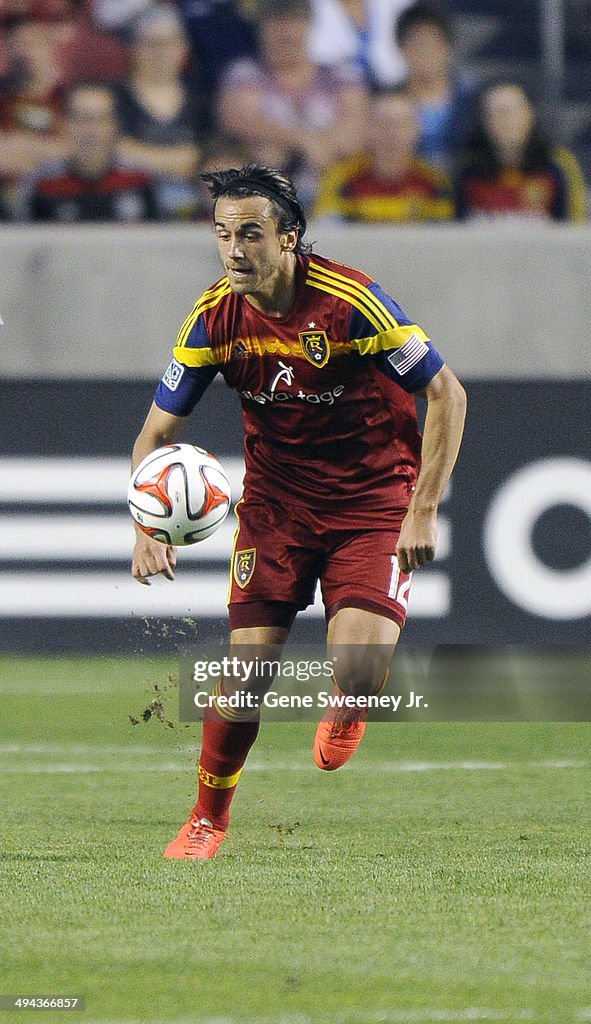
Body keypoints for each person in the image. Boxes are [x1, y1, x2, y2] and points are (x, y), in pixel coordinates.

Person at [131, 163, 466, 859]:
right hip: (278, 507)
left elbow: (448, 395)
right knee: (247, 668)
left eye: (249, 233)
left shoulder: (352, 303)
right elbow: (155, 435)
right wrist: (146, 524)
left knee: (360, 669)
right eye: (222, 234)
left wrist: (422, 509)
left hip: (372, 500)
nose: (232, 250)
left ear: (290, 239)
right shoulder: (214, 318)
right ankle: (206, 820)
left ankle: (351, 701)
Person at [216, 0, 367, 209]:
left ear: (309, 26)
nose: (286, 33)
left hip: (335, 192)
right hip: (264, 199)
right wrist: (304, 141)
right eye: (277, 23)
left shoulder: (341, 75)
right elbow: (241, 120)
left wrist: (324, 147)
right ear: (262, 28)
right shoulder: (245, 75)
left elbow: (355, 129)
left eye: (294, 22)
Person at [18, 81, 159, 222]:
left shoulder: (140, 178)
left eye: (100, 119)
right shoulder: (43, 181)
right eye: (82, 118)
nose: (91, 130)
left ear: (114, 125)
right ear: (66, 124)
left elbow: (162, 236)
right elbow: (23, 238)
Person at [114, 4, 204, 219]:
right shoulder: (116, 99)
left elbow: (206, 158)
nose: (160, 52)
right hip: (127, 209)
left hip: (193, 213)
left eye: (167, 43)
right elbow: (113, 153)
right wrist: (179, 160)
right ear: (134, 49)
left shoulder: (201, 101)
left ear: (182, 49)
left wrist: (138, 155)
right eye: (151, 44)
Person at [455, 79, 587, 223]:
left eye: (515, 110)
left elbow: (575, 227)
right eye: (498, 112)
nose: (508, 120)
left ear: (530, 114)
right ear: (484, 121)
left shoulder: (559, 165)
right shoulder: (466, 171)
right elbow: (449, 232)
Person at [314, 88, 454, 223]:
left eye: (402, 124)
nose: (393, 134)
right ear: (369, 129)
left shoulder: (434, 183)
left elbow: (445, 236)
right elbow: (327, 232)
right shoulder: (341, 180)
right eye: (385, 124)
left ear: (416, 130)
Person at [395, 1, 477, 172]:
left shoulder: (473, 100)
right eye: (416, 45)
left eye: (433, 44)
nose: (425, 53)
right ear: (402, 49)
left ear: (447, 48)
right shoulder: (388, 102)